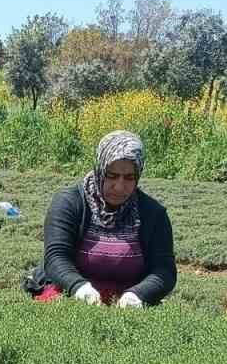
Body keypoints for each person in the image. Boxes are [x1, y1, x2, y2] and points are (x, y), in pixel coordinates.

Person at [23, 130, 176, 307]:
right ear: (100, 169)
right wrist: (79, 288)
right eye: (112, 175)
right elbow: (56, 257)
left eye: (129, 177)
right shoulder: (70, 202)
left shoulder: (153, 214)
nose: (119, 186)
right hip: (69, 292)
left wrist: (138, 294)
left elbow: (164, 270)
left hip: (127, 303)